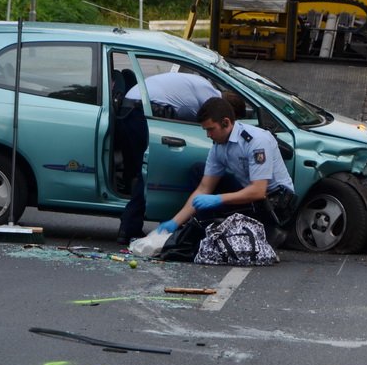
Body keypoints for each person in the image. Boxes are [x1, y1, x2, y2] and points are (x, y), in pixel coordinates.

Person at [157, 96, 295, 247]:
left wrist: (218, 199)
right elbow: (204, 188)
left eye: (210, 129)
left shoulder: (255, 141)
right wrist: (174, 222)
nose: (208, 135)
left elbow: (258, 191)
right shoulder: (219, 146)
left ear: (226, 123)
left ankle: (269, 231)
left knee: (244, 243)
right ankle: (206, 233)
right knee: (198, 170)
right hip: (249, 195)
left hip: (273, 203)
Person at [117, 71, 219, 244]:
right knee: (148, 171)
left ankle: (130, 225)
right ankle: (129, 227)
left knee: (139, 170)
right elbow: (202, 123)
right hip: (141, 111)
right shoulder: (212, 97)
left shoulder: (198, 85)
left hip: (131, 108)